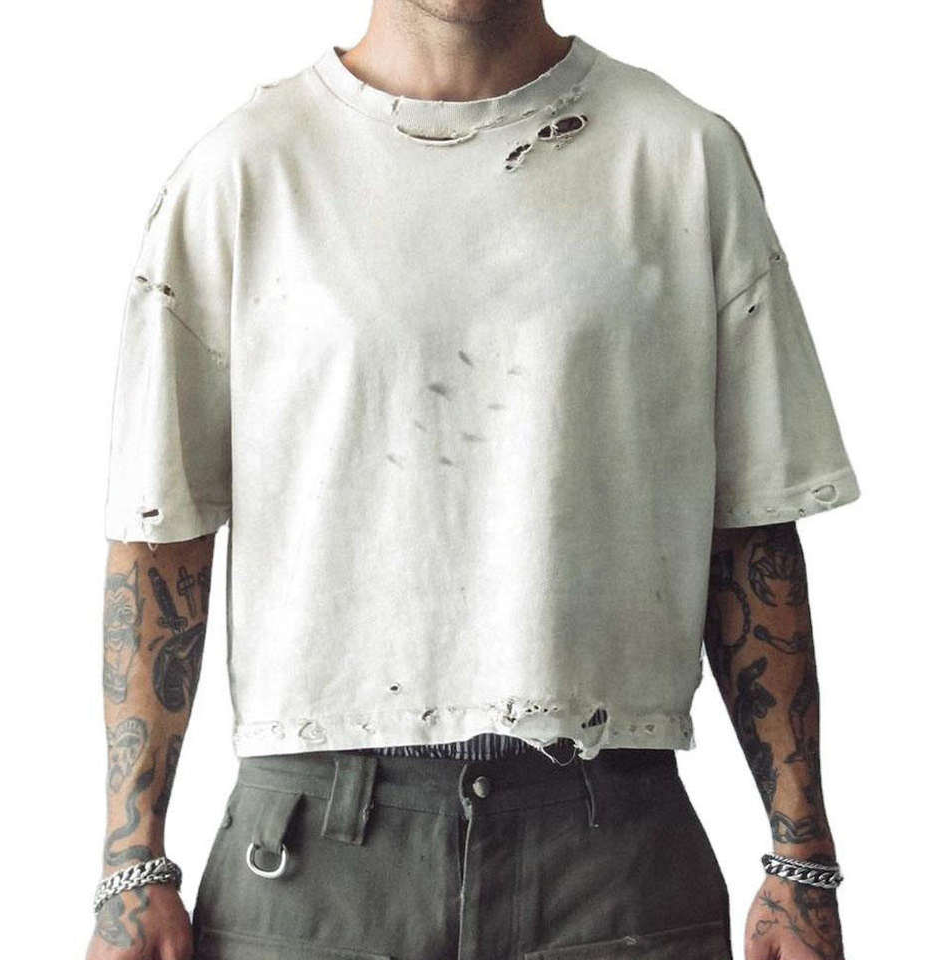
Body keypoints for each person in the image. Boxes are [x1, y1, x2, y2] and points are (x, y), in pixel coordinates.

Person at [87, 3, 859, 959]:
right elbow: (161, 534)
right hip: (314, 860)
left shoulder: (679, 156)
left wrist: (801, 857)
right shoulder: (246, 170)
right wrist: (130, 862)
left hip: (612, 857)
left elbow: (750, 527)